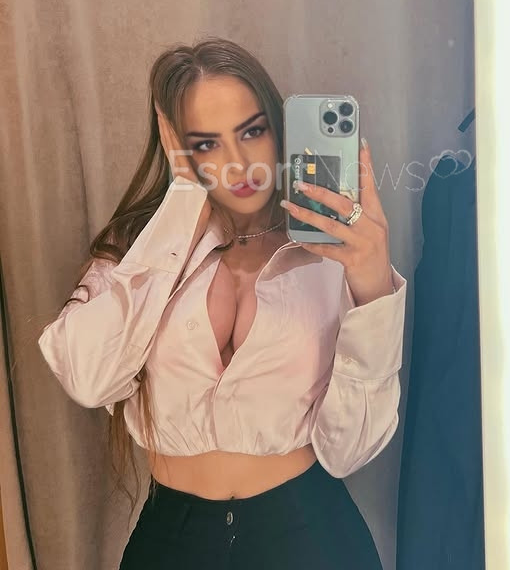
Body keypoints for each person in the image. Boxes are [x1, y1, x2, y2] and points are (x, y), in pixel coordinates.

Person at [38, 37, 407, 569]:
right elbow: (88, 380)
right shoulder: (138, 253)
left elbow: (349, 450)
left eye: (252, 131)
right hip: (172, 542)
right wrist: (183, 206)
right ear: (178, 150)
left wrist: (372, 292)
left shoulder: (334, 254)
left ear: (278, 128)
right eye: (207, 144)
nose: (238, 163)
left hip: (311, 536)